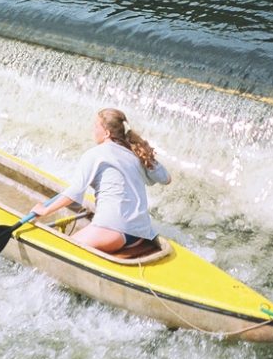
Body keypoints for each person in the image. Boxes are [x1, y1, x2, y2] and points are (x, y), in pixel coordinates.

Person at [31, 108, 172, 253]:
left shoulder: (94, 155)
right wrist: (147, 154)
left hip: (113, 230)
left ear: (106, 133)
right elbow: (166, 179)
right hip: (141, 233)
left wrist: (45, 210)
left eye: (95, 126)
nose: (92, 130)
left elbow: (75, 191)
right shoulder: (135, 155)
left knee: (64, 250)